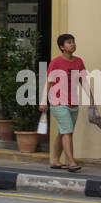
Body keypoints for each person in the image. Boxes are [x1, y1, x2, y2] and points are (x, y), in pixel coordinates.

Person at [39, 33, 90, 172]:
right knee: (68, 132)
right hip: (58, 102)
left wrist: (91, 98)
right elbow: (48, 83)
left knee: (63, 132)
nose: (72, 44)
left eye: (73, 41)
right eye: (68, 42)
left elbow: (83, 81)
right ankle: (71, 162)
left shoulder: (79, 61)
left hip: (73, 103)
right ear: (62, 47)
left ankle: (55, 160)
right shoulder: (55, 62)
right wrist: (43, 101)